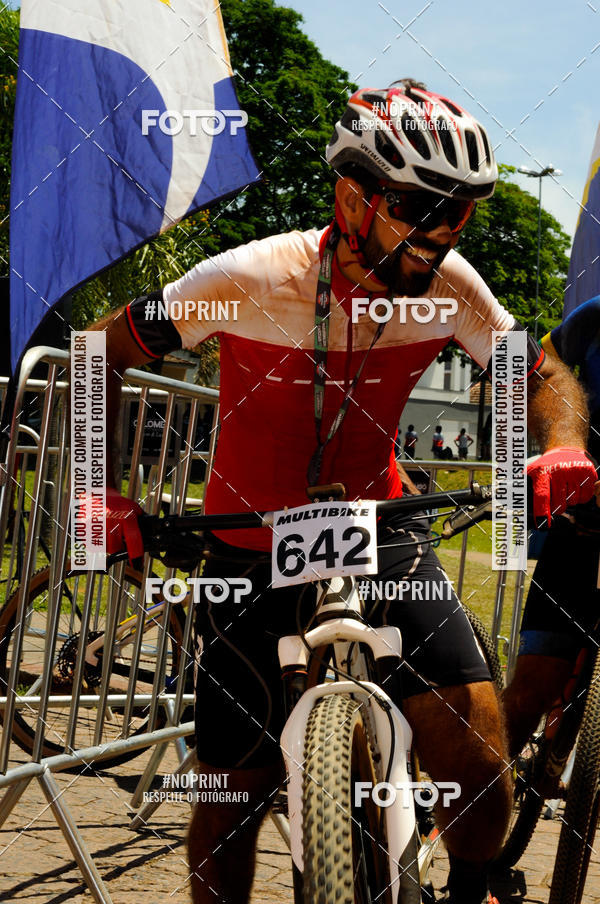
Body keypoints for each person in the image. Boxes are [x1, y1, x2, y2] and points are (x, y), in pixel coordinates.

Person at [88, 80, 596, 904]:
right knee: (226, 810)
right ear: (352, 194)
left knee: (474, 751)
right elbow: (97, 354)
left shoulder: (451, 289)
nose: (436, 232)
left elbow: (539, 378)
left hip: (378, 531)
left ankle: (470, 889)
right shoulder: (252, 275)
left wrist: (561, 449)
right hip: (249, 546)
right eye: (416, 204)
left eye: (457, 212)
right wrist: (93, 488)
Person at [503, 296, 600, 761]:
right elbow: (537, 371)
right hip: (583, 524)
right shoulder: (595, 314)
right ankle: (475, 805)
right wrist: (552, 449)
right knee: (530, 692)